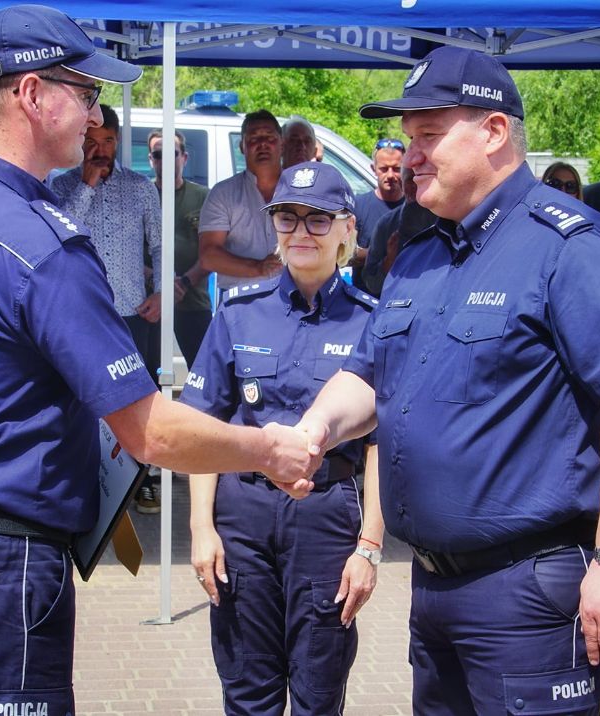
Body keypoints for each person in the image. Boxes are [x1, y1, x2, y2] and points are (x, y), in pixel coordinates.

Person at [0, 7, 317, 713]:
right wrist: (265, 450)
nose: (98, 118)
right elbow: (151, 432)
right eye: (89, 94)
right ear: (34, 96)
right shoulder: (44, 246)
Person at [291, 46, 600, 715]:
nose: (411, 156)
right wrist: (311, 431)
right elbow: (369, 375)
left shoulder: (571, 245)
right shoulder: (417, 255)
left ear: (495, 132)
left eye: (429, 137)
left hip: (527, 594)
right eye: (409, 141)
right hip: (435, 590)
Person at [185, 162, 384, 715]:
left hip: (325, 517)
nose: (301, 232)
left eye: (318, 220)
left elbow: (382, 445)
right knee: (247, 689)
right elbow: (206, 427)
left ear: (348, 229)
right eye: (287, 218)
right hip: (242, 516)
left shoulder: (374, 323)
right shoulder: (237, 314)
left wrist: (369, 546)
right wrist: (202, 529)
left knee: (319, 690)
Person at [52, 104, 164, 380]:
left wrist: (162, 293)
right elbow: (58, 237)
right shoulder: (62, 186)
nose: (99, 150)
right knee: (84, 392)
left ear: (118, 141)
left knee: (133, 394)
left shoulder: (140, 187)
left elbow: (160, 245)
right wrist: (86, 186)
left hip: (131, 310)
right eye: (91, 142)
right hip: (81, 310)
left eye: (107, 141)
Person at [199, 109, 284, 291]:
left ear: (281, 143)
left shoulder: (300, 190)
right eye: (253, 139)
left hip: (292, 300)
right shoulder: (223, 193)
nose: (262, 144)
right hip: (240, 303)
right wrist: (258, 267)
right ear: (242, 147)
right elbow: (208, 256)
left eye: (269, 137)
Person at [147, 128, 211, 367]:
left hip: (193, 299)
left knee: (206, 374)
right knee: (147, 377)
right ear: (151, 159)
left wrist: (183, 283)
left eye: (172, 153)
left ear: (184, 157)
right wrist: (160, 281)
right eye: (158, 153)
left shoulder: (203, 197)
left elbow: (212, 251)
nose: (164, 159)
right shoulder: (143, 195)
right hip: (149, 303)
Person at [359, 166, 434, 298]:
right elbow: (371, 283)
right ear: (402, 184)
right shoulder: (386, 225)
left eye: (421, 177)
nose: (416, 184)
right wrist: (389, 262)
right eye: (411, 179)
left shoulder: (448, 220)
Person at [351, 138, 405, 268]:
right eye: (384, 169)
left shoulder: (418, 208)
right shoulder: (358, 205)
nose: (390, 175)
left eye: (397, 169)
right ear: (373, 169)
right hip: (366, 287)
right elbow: (345, 253)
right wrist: (384, 255)